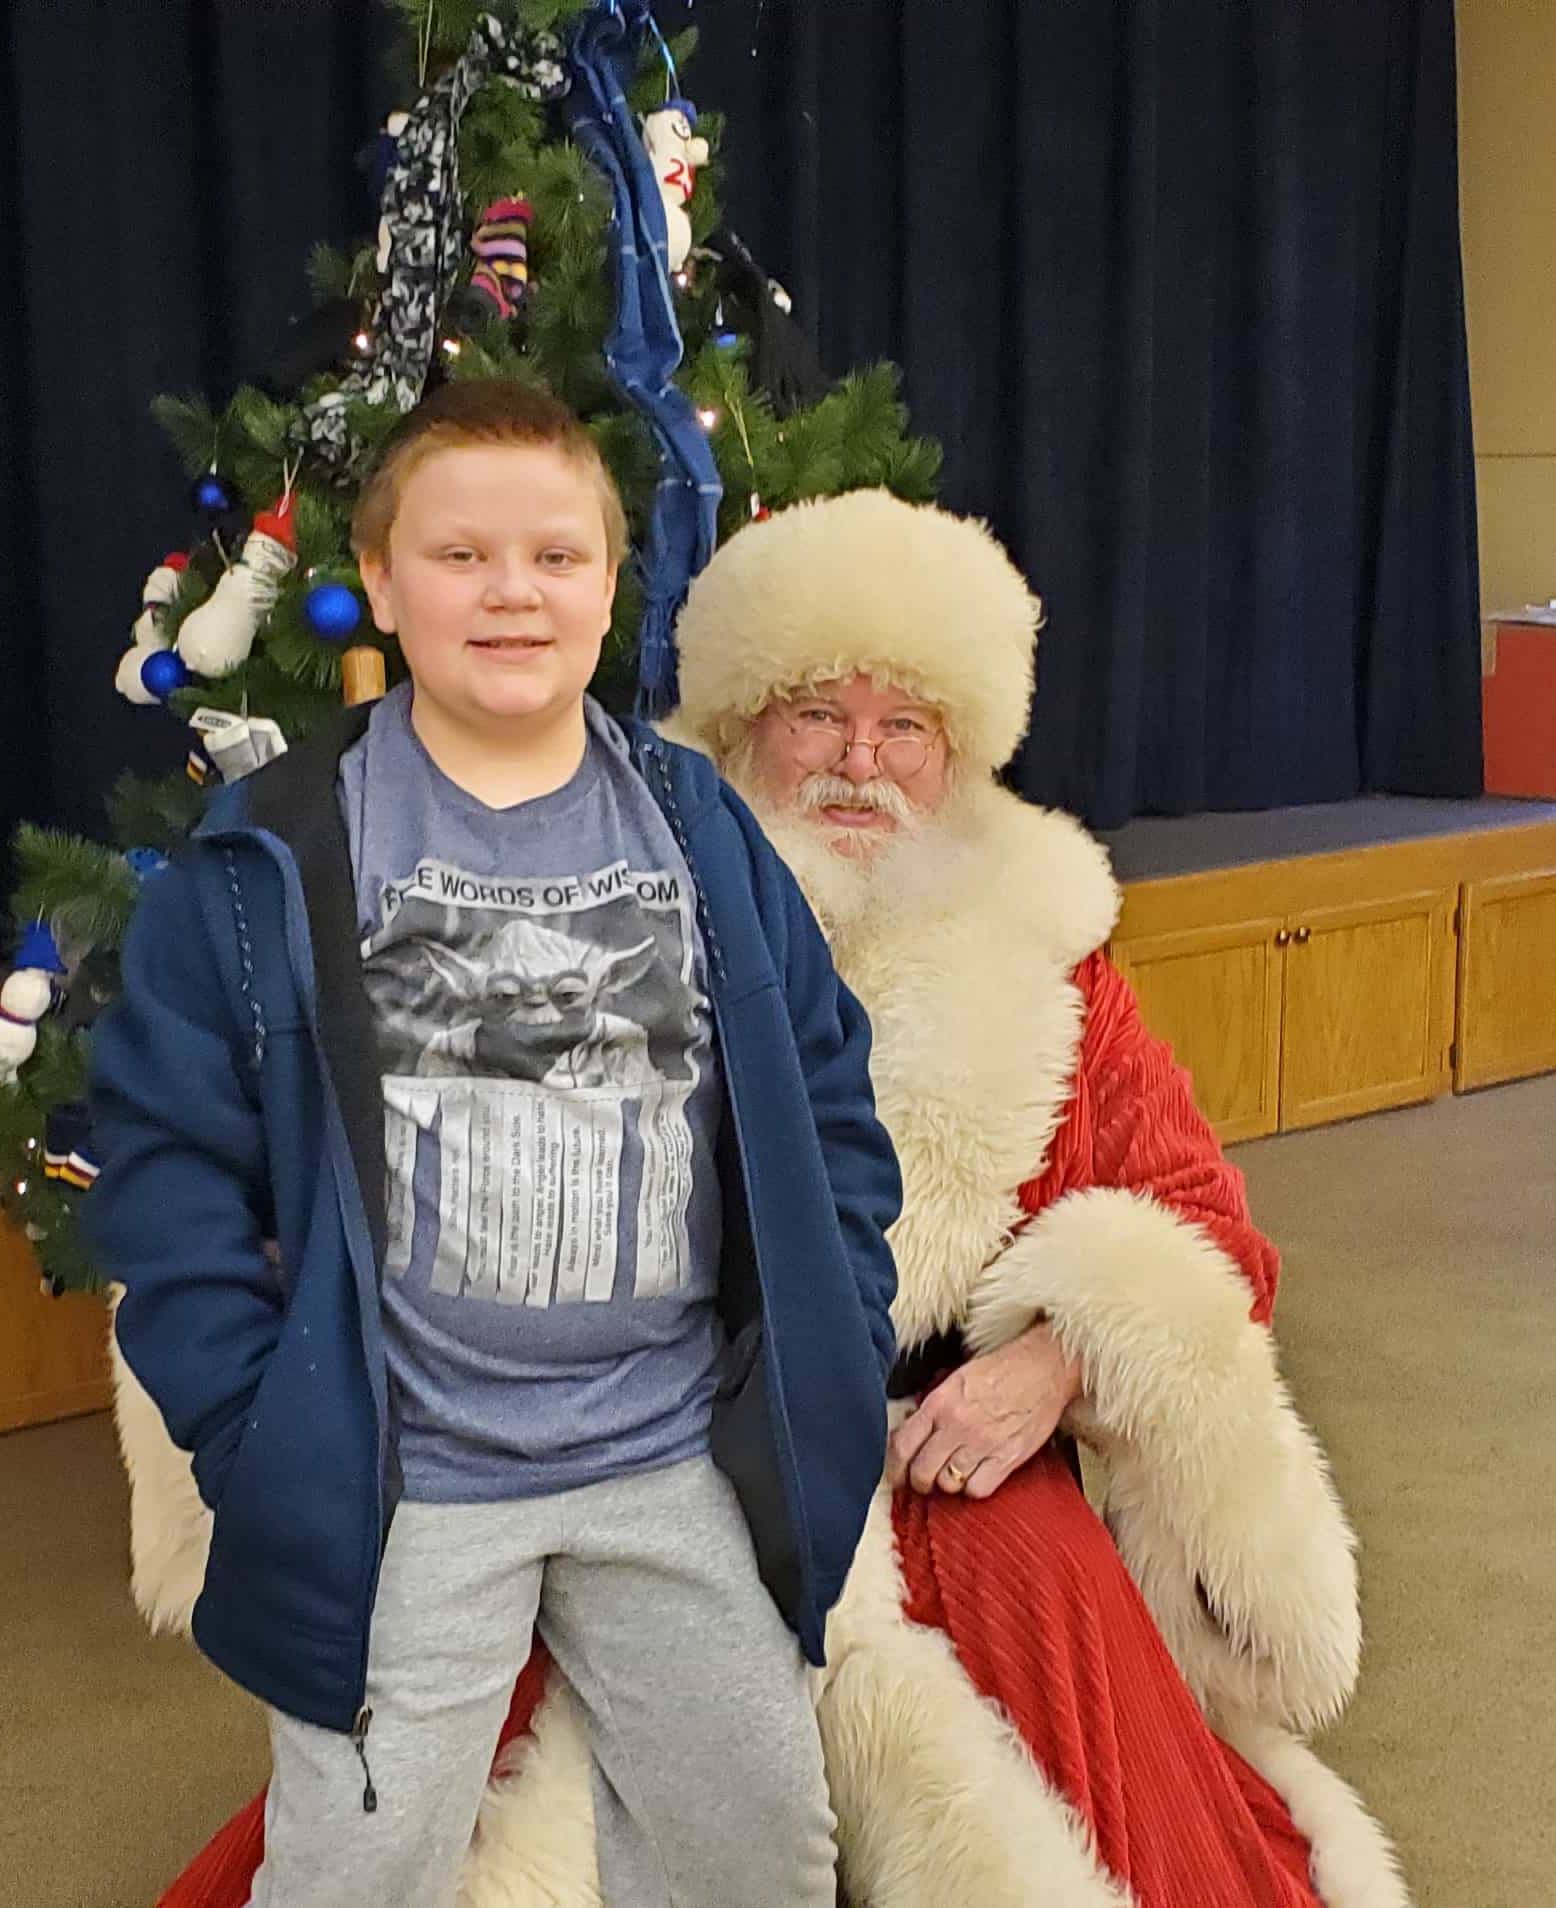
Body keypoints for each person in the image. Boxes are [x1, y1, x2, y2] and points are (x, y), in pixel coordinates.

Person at [132, 491, 1404, 1908]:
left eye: (903, 724)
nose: (859, 761)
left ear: (959, 749)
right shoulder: (614, 879)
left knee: (1063, 1690)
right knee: (500, 1788)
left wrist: (1052, 1365)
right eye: (816, 715)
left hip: (945, 1448)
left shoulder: (1045, 955)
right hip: (652, 1440)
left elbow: (1201, 1222)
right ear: (741, 725)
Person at [88, 378, 900, 1908]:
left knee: (760, 1855)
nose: (512, 592)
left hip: (669, 1454)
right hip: (410, 1471)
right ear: (381, 582)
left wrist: (835, 1340)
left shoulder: (696, 825)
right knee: (356, 1868)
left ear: (611, 584)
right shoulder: (272, 854)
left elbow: (827, 1094)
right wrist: (257, 1427)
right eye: (460, 556)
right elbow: (166, 1167)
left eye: (555, 556)